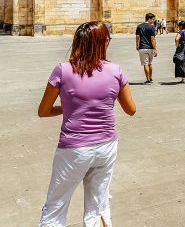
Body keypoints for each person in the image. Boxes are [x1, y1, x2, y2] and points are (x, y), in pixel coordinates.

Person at [36, 21, 136, 227]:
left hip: (74, 149)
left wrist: (70, 106)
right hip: (107, 147)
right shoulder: (116, 71)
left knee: (55, 207)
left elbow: (43, 111)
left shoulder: (62, 70)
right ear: (102, 43)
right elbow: (131, 109)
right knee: (98, 207)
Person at [135, 13, 158, 84]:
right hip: (150, 48)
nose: (154, 21)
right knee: (150, 63)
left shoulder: (139, 26)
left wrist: (137, 45)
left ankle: (148, 79)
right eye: (153, 19)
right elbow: (153, 39)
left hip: (142, 47)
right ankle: (150, 77)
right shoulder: (152, 27)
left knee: (145, 64)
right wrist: (155, 49)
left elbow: (137, 37)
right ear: (149, 19)